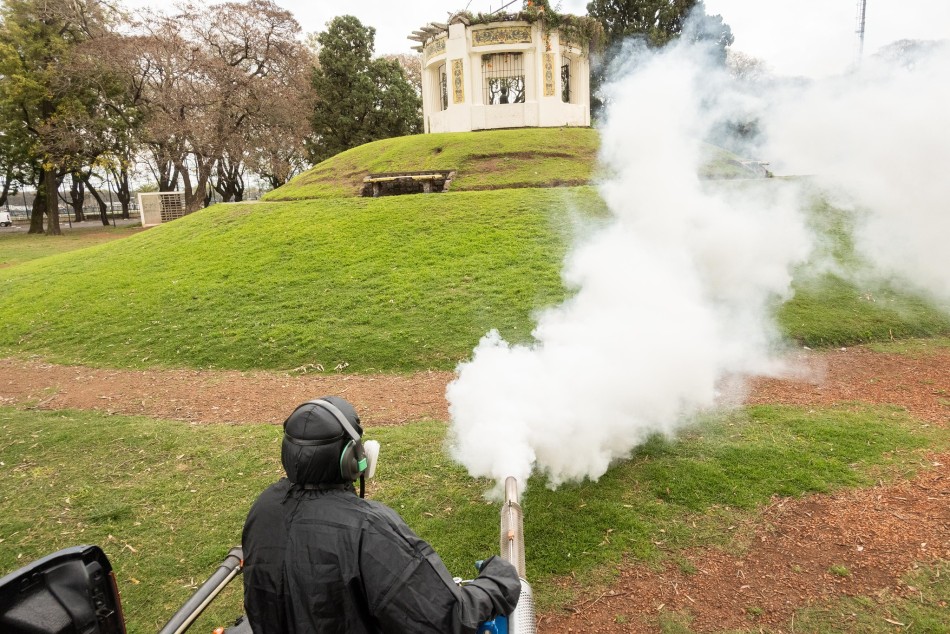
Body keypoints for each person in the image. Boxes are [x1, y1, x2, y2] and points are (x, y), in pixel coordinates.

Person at [242, 396, 522, 634]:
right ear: (353, 459)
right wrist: (497, 580)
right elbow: (446, 618)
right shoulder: (368, 528)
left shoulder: (265, 506)